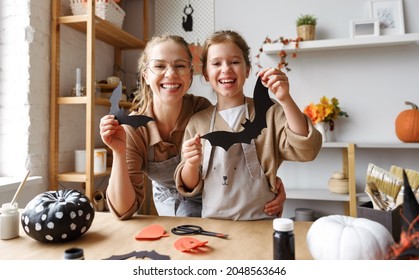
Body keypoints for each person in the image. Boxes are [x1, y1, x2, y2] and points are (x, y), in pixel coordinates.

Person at [99, 34, 285, 220]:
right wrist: (118, 152)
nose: (171, 73)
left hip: (214, 197)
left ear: (190, 74)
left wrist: (269, 185)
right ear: (146, 75)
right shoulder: (134, 130)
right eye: (159, 66)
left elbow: (239, 159)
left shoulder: (202, 111)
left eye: (179, 65)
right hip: (169, 200)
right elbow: (123, 211)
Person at [174, 30, 322, 220]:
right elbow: (189, 186)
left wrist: (285, 99)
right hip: (214, 227)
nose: (226, 69)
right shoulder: (198, 123)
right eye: (216, 63)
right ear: (205, 74)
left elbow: (307, 149)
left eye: (235, 62)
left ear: (247, 70)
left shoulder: (269, 112)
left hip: (262, 224)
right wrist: (192, 163)